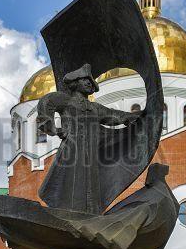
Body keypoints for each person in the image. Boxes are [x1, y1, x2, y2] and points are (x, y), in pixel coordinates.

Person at [37, 64, 140, 215]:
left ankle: (90, 213)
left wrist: (136, 115)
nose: (88, 83)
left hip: (91, 150)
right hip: (72, 148)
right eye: (84, 80)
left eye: (90, 82)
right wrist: (54, 129)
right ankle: (68, 211)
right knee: (71, 178)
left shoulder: (95, 108)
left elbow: (114, 116)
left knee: (91, 180)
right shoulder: (65, 100)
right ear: (75, 82)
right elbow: (46, 104)